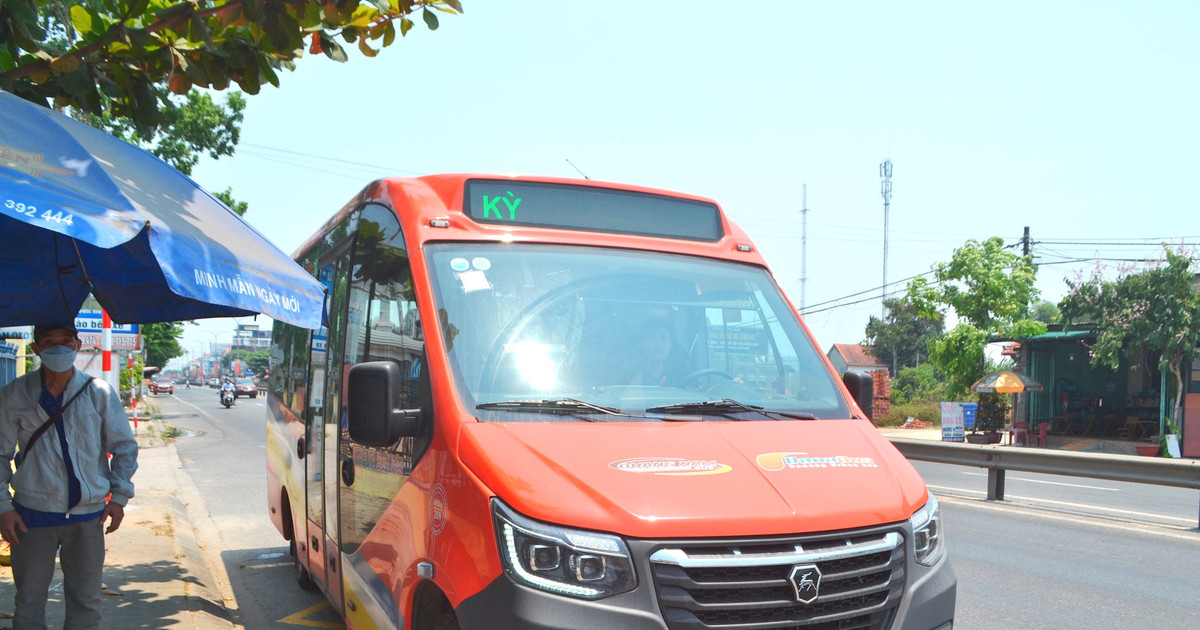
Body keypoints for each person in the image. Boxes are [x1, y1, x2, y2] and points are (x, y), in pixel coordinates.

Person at [0, 322, 138, 629]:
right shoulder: (14, 395)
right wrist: (4, 509)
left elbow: (125, 447)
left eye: (66, 340)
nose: (59, 348)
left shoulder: (98, 392)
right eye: (50, 341)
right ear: (36, 349)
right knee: (29, 601)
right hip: (31, 516)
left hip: (87, 517)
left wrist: (118, 497)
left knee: (86, 603)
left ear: (77, 345)